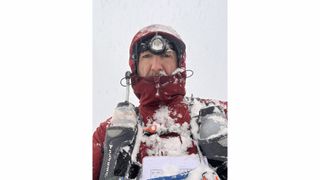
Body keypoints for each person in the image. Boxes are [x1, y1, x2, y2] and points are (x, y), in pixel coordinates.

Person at [93, 24, 228, 180]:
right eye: (147, 56)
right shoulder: (108, 133)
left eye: (166, 56)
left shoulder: (222, 115)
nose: (156, 66)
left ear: (180, 64)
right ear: (135, 66)